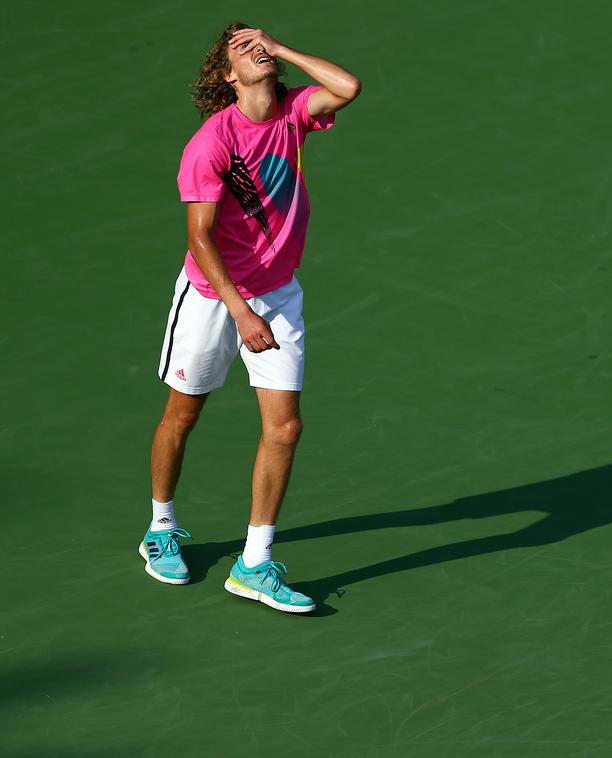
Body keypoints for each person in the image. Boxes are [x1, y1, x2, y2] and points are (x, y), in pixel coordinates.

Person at [139, 23, 360, 613]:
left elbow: (348, 86)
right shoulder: (211, 144)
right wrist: (240, 312)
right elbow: (200, 236)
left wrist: (283, 49)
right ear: (227, 76)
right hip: (213, 298)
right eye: (241, 48)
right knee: (182, 415)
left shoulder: (292, 112)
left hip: (278, 293)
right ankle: (160, 525)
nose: (256, 48)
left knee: (285, 428)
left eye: (261, 42)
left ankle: (254, 563)